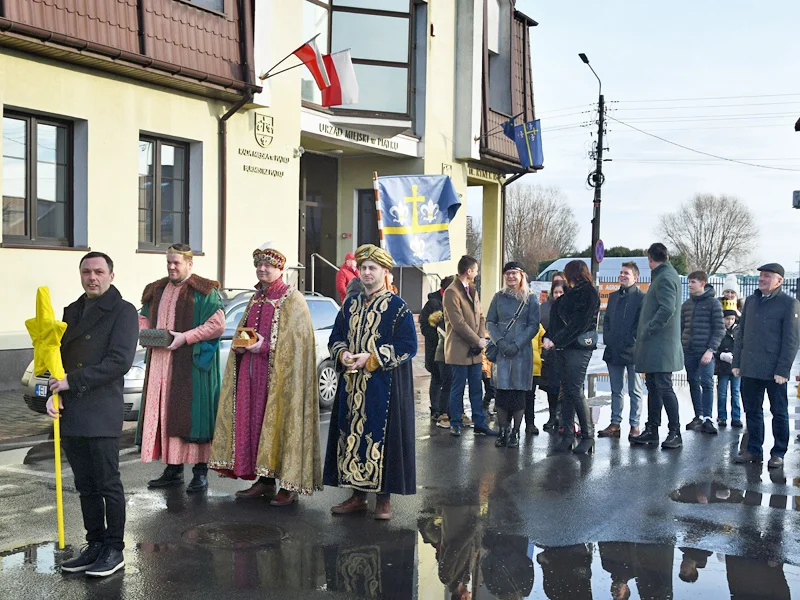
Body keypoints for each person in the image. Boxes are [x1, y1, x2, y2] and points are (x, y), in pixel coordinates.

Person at [48, 252, 138, 577]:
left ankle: (114, 549)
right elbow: (54, 357)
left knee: (107, 484)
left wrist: (71, 382)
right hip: (72, 410)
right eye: (86, 271)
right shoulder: (71, 311)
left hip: (101, 410)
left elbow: (119, 362)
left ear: (111, 275)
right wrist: (52, 393)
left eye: (99, 271)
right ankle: (95, 545)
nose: (92, 277)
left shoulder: (124, 312)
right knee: (85, 485)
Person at [209, 245, 322, 505]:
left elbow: (297, 343)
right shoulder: (256, 297)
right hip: (252, 376)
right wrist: (243, 343)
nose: (262, 269)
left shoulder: (293, 300)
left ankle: (288, 485)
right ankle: (264, 481)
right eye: (259, 265)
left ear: (280, 268)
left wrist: (264, 345)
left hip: (281, 380)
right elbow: (246, 330)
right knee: (257, 428)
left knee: (281, 426)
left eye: (268, 265)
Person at [324, 244, 417, 519]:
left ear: (384, 272)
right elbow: (335, 338)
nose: (366, 272)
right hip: (352, 387)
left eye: (372, 268)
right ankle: (356, 496)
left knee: (381, 438)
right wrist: (342, 354)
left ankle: (384, 499)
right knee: (352, 437)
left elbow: (408, 345)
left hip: (383, 387)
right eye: (363, 267)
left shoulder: (398, 308)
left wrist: (373, 358)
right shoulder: (349, 304)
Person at [137, 243, 225, 492]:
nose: (172, 267)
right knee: (167, 414)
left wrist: (185, 337)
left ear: (189, 263)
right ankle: (173, 469)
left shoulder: (205, 290)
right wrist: (145, 333)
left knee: (194, 417)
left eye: (177, 262)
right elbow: (142, 316)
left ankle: (199, 472)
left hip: (192, 365)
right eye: (169, 262)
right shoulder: (156, 289)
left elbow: (217, 324)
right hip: (160, 366)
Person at [733, 263, 800, 469]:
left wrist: (783, 370)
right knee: (752, 411)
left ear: (779, 281)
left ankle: (778, 452)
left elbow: (791, 340)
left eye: (767, 276)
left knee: (779, 411)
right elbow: (740, 334)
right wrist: (737, 362)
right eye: (761, 275)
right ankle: (754, 449)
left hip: (774, 371)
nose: (761, 279)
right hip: (750, 367)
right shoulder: (752, 301)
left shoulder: (789, 304)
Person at [543, 260, 601, 455]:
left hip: (578, 348)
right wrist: (549, 337)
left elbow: (579, 324)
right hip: (565, 347)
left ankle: (587, 435)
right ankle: (567, 435)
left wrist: (556, 340)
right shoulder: (570, 293)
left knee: (575, 389)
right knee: (567, 390)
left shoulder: (588, 293)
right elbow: (559, 321)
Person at [630, 243, 684, 450]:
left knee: (663, 386)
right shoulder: (665, 275)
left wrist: (649, 329)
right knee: (653, 386)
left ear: (650, 259)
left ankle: (674, 431)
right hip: (657, 345)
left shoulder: (665, 277)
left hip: (661, 344)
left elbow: (667, 307)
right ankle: (652, 429)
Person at [486, 263, 540, 448]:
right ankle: (503, 431)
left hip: (522, 352)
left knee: (518, 394)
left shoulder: (531, 298)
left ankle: (516, 432)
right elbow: (490, 321)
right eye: (508, 274)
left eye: (514, 273)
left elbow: (534, 325)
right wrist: (500, 342)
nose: (510, 277)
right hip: (501, 352)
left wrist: (517, 344)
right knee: (501, 393)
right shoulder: (498, 297)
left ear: (521, 275)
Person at [443, 255, 498, 437]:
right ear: (469, 271)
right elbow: (457, 323)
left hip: (474, 350)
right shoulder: (452, 292)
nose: (477, 272)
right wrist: (477, 340)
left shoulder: (472, 289)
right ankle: (455, 422)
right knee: (457, 389)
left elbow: (481, 316)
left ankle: (480, 423)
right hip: (459, 350)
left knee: (477, 388)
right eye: (475, 269)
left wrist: (481, 337)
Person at [598, 262, 644, 440]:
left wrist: (630, 340)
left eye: (627, 273)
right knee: (616, 390)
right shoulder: (614, 296)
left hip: (633, 350)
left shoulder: (641, 297)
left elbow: (640, 324)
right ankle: (615, 423)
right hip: (613, 349)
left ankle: (635, 425)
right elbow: (606, 320)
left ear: (635, 277)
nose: (622, 275)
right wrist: (608, 338)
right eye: (621, 272)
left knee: (635, 390)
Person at [681, 270, 725, 435]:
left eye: (693, 282)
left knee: (706, 383)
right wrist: (681, 345)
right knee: (692, 382)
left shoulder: (713, 304)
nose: (690, 285)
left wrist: (711, 350)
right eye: (689, 282)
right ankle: (698, 416)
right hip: (689, 350)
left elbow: (719, 329)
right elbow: (681, 328)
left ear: (702, 284)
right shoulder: (686, 304)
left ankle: (708, 418)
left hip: (705, 351)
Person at [420, 276, 455, 422]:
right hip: (436, 348)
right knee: (437, 378)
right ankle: (436, 409)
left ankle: (443, 408)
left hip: (447, 348)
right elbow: (426, 326)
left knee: (444, 379)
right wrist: (439, 338)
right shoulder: (434, 303)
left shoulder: (448, 301)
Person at [540, 279, 567, 432]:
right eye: (555, 292)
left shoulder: (569, 307)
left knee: (562, 386)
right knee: (551, 386)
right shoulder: (546, 307)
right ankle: (552, 415)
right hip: (549, 352)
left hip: (564, 352)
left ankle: (561, 415)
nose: (558, 295)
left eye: (560, 292)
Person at [715, 310, 742, 428]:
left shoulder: (738, 331)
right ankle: (722, 416)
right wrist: (721, 355)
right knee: (722, 393)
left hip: (736, 366)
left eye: (732, 319)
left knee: (735, 392)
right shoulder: (720, 331)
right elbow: (715, 346)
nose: (729, 321)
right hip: (723, 367)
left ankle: (736, 417)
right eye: (727, 319)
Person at [525, 323, 546, 438]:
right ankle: (527, 424)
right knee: (523, 396)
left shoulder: (537, 325)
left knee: (530, 396)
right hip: (526, 364)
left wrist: (539, 357)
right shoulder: (536, 324)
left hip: (534, 365)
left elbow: (542, 342)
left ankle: (529, 423)